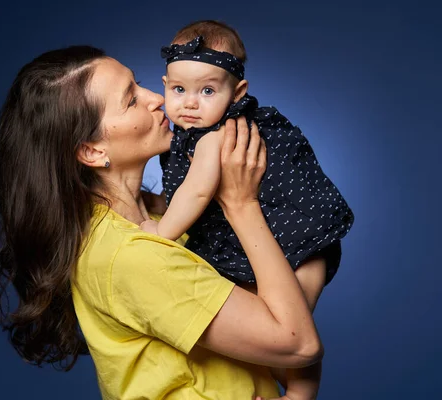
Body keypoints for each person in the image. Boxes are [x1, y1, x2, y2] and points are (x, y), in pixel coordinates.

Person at [0, 45, 323, 400]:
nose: (155, 99)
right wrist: (242, 204)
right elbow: (298, 344)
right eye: (130, 100)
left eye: (140, 84)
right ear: (93, 150)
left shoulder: (164, 217)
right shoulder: (129, 255)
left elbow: (263, 323)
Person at [140, 20, 355, 398]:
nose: (190, 102)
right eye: (178, 89)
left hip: (298, 240)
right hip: (279, 238)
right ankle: (285, 387)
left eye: (207, 90)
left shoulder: (217, 134)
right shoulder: (193, 133)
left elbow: (196, 193)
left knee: (291, 325)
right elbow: (182, 194)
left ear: (237, 92)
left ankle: (301, 393)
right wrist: (158, 205)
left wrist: (162, 231)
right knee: (274, 325)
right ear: (165, 85)